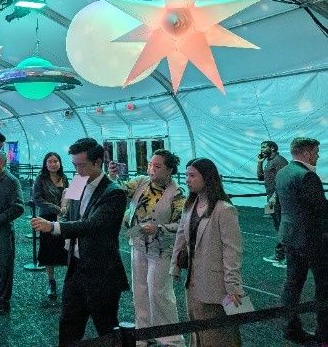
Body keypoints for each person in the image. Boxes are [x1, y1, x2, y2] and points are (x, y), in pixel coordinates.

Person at [31, 138, 129, 346]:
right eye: (74, 165)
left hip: (102, 271)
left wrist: (54, 227)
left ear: (97, 162)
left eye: (81, 165)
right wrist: (61, 221)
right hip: (76, 267)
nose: (77, 170)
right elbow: (68, 213)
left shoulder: (114, 193)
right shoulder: (77, 182)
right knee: (68, 325)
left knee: (106, 329)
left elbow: (92, 225)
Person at [111, 150, 186, 347]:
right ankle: (143, 333)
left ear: (170, 170)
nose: (151, 169)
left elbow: (181, 224)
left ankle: (171, 339)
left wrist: (159, 228)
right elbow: (117, 192)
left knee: (160, 293)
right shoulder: (140, 182)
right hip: (137, 245)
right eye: (150, 164)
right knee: (140, 291)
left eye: (157, 166)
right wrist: (113, 176)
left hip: (162, 250)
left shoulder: (177, 193)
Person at [170, 158, 244, 347]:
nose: (187, 180)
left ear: (207, 178)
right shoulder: (189, 205)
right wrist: (175, 267)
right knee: (198, 333)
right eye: (186, 175)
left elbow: (232, 252)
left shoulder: (225, 210)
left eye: (192, 175)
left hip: (217, 285)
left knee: (219, 336)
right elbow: (180, 237)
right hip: (193, 283)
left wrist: (233, 287)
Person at [275, 137, 326, 345]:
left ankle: (290, 328)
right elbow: (320, 209)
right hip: (313, 240)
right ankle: (324, 333)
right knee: (324, 286)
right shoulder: (307, 176)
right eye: (316, 152)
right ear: (306, 153)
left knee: (292, 284)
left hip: (290, 236)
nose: (318, 156)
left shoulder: (283, 172)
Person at [0, 149, 24, 316]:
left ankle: (3, 302)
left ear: (1, 162)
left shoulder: (12, 181)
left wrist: (0, 218)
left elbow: (19, 207)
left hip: (2, 232)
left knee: (4, 267)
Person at [32, 152, 69, 300]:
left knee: (66, 249)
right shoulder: (40, 179)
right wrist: (57, 209)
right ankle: (51, 281)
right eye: (50, 161)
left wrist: (65, 209)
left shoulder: (64, 178)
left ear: (60, 163)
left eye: (56, 161)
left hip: (63, 219)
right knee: (48, 250)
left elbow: (69, 196)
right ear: (45, 164)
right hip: (46, 218)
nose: (53, 164)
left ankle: (69, 283)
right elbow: (37, 199)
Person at [255, 140, 289, 266]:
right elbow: (260, 177)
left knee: (283, 227)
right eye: (261, 147)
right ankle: (280, 255)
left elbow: (284, 181)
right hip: (271, 198)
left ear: (273, 148)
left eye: (264, 147)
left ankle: (287, 257)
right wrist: (259, 162)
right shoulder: (269, 161)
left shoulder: (279, 161)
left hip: (278, 198)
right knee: (277, 226)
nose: (262, 149)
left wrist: (275, 198)